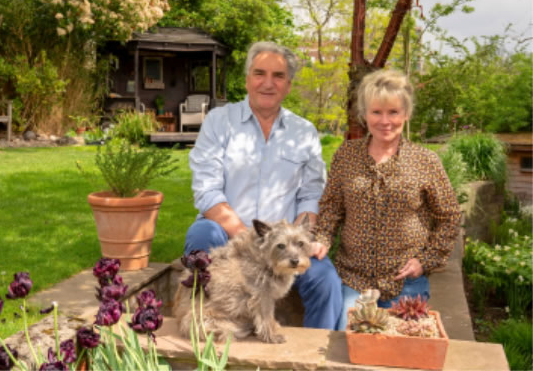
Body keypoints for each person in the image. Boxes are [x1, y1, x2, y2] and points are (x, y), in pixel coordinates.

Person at [184, 41, 342, 330]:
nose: (268, 83)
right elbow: (207, 192)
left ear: (289, 85)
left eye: (278, 76)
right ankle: (201, 330)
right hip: (230, 237)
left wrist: (294, 242)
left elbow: (311, 194)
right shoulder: (219, 122)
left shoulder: (304, 132)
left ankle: (315, 358)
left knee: (326, 281)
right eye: (259, 73)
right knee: (201, 235)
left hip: (286, 241)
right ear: (247, 80)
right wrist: (251, 241)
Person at [313, 69, 462, 330]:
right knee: (348, 347)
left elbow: (449, 216)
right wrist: (322, 240)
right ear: (365, 114)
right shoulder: (346, 155)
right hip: (353, 280)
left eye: (393, 112)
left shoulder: (425, 161)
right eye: (376, 112)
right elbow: (331, 207)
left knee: (397, 354)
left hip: (406, 283)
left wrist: (424, 261)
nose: (385, 121)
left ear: (406, 114)